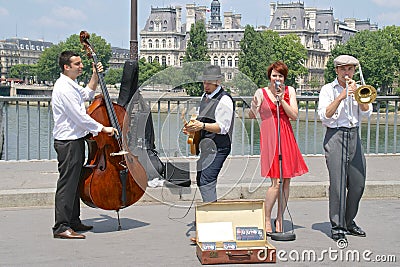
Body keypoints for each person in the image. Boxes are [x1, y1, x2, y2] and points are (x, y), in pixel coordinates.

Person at [51, 51, 117, 239]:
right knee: (67, 184)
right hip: (68, 142)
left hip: (75, 140)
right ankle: (61, 226)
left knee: (74, 183)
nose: (81, 66)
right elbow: (80, 117)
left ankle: (73, 221)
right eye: (77, 64)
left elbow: (88, 93)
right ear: (66, 67)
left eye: (81, 63)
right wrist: (103, 128)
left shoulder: (70, 85)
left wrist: (95, 74)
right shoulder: (63, 88)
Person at [249, 61, 308, 235]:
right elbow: (251, 116)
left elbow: (294, 115)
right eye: (274, 75)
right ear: (270, 77)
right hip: (270, 138)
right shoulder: (261, 92)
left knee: (286, 180)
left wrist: (282, 100)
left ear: (284, 78)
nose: (277, 79)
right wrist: (253, 105)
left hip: (286, 135)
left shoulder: (289, 92)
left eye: (280, 76)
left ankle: (280, 217)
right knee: (275, 181)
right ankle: (266, 219)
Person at [318, 55, 372, 242]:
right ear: (337, 71)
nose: (346, 73)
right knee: (338, 184)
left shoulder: (357, 88)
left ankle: (349, 221)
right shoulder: (327, 90)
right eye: (343, 69)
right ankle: (337, 226)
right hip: (335, 135)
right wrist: (341, 96)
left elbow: (367, 111)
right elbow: (325, 116)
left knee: (358, 183)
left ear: (354, 71)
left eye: (350, 69)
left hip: (354, 135)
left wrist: (358, 95)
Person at [183, 65, 234, 203]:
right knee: (201, 178)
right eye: (204, 81)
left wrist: (202, 125)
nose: (205, 85)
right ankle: (211, 211)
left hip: (219, 147)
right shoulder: (205, 97)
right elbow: (202, 119)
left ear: (218, 82)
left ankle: (212, 217)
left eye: (208, 82)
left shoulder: (224, 100)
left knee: (207, 179)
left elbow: (223, 128)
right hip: (207, 145)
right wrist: (192, 129)